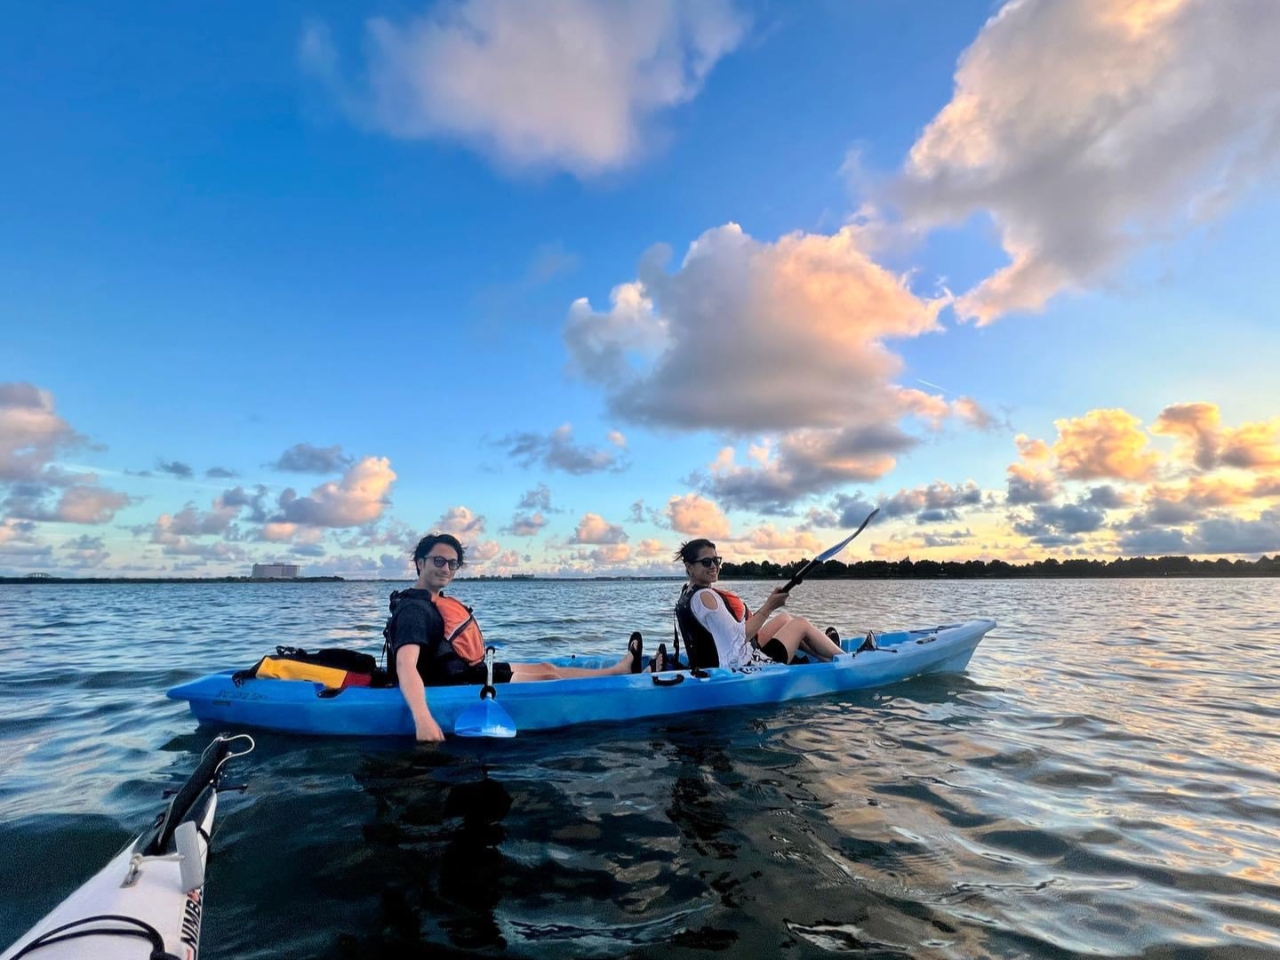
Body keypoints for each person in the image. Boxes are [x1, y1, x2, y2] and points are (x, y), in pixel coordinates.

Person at [387, 533, 645, 742]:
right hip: (455, 682)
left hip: (466, 670)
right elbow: (405, 665)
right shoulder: (414, 609)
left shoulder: (431, 601)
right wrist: (423, 717)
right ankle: (612, 692)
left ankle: (617, 671)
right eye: (438, 561)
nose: (446, 568)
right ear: (420, 563)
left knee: (547, 668)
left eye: (452, 563)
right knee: (549, 678)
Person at [673, 539, 846, 670]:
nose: (714, 566)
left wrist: (768, 606)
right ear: (690, 567)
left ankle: (824, 657)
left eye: (716, 560)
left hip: (717, 662)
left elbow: (730, 635)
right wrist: (769, 606)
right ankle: (847, 660)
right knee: (800, 624)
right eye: (706, 562)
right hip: (743, 668)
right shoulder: (705, 596)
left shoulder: (687, 593)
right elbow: (738, 638)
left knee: (784, 618)